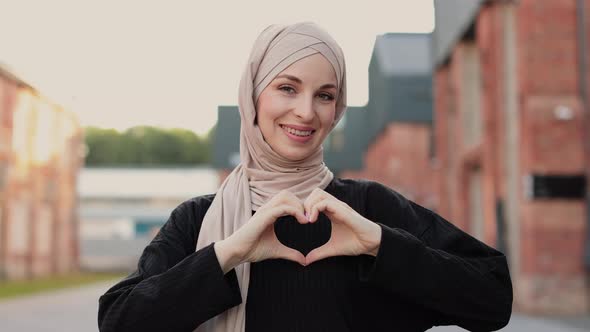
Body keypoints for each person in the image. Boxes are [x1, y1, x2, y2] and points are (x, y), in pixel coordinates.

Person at [97, 22, 513, 332]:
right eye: (287, 88)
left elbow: (493, 297)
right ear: (253, 95)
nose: (306, 112)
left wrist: (380, 245)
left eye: (325, 95)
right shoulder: (198, 220)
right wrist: (229, 253)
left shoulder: (367, 208)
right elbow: (119, 321)